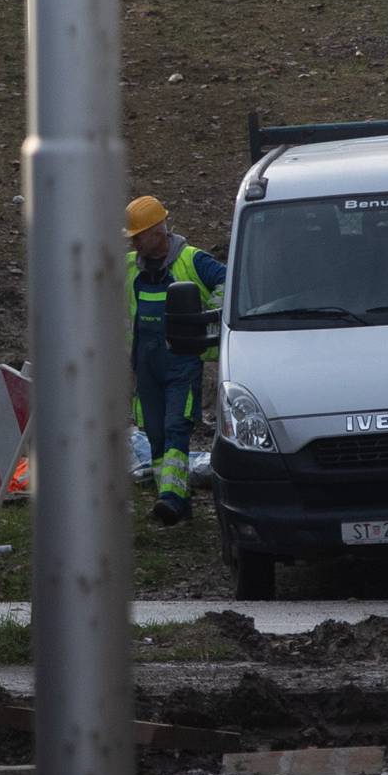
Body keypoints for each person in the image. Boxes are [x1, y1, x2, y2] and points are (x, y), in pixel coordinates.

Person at [126, 195, 225, 528]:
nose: (134, 242)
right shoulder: (130, 268)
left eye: (138, 235)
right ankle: (174, 499)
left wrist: (204, 319)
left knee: (175, 427)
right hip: (146, 367)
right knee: (154, 433)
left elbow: (229, 282)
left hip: (182, 362)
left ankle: (170, 499)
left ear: (157, 232)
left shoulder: (192, 260)